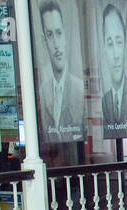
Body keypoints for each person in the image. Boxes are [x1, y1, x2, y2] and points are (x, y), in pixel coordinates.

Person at [38, 0, 85, 142]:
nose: (56, 45)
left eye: (59, 33)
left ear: (65, 36)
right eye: (50, 35)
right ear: (44, 41)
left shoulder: (79, 90)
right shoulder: (42, 92)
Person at [100, 3, 127, 136]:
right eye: (110, 44)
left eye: (119, 42)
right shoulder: (104, 100)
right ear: (104, 48)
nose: (116, 55)